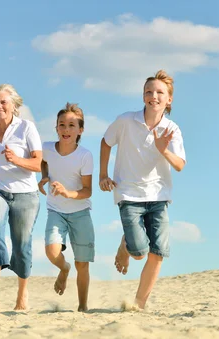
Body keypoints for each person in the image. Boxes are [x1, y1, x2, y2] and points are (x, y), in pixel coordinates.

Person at [99, 70, 186, 310]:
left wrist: (163, 149)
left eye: (160, 92)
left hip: (159, 196)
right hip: (129, 194)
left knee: (157, 252)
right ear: (143, 96)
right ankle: (127, 243)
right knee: (139, 252)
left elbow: (179, 165)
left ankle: (139, 303)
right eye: (149, 91)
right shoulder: (126, 120)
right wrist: (103, 175)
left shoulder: (172, 129)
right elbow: (106, 142)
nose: (153, 96)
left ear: (169, 100)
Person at [0, 84, 42, 310]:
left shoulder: (26, 128)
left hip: (25, 193)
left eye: (3, 102)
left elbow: (37, 164)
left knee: (21, 244)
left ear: (13, 105)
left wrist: (16, 160)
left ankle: (22, 293)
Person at [38, 103, 94, 312]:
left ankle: (82, 306)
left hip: (80, 212)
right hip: (56, 211)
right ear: (56, 128)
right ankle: (64, 268)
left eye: (72, 125)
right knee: (52, 252)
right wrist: (44, 176)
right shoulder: (47, 148)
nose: (66, 129)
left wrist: (68, 193)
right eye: (62, 125)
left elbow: (87, 190)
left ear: (80, 130)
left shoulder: (85, 155)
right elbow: (43, 162)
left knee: (82, 263)